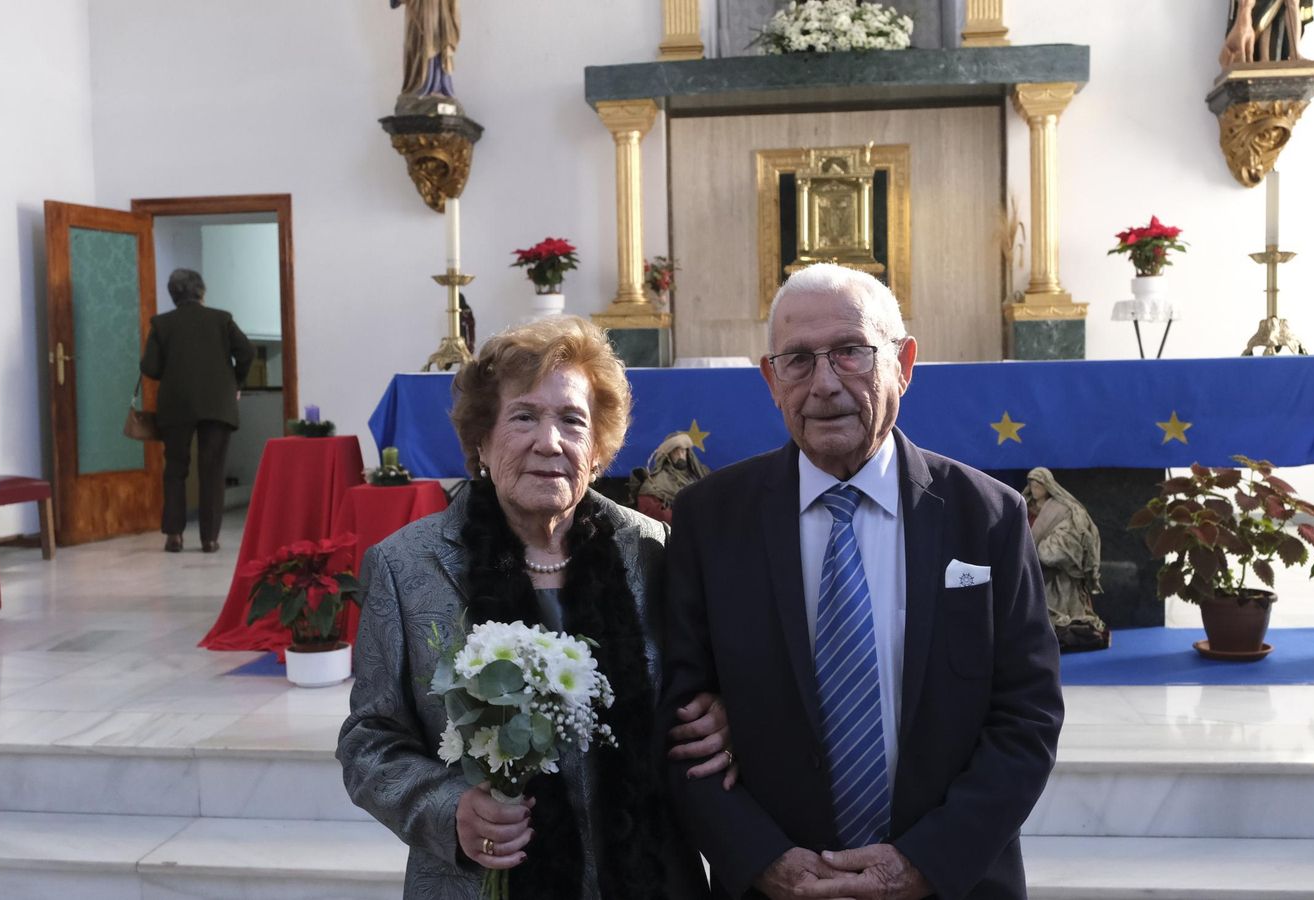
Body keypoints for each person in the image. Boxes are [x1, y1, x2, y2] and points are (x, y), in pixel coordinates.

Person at [659, 263, 1064, 900]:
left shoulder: (987, 516)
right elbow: (680, 723)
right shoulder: (711, 520)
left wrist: (926, 862)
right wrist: (764, 859)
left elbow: (1028, 715)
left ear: (903, 363)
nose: (823, 384)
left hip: (952, 883)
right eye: (797, 359)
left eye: (850, 352)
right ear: (771, 379)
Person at [338, 316, 725, 900]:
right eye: (524, 417)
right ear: (482, 442)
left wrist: (721, 714)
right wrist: (450, 810)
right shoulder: (406, 567)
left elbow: (709, 684)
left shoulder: (653, 552)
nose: (550, 441)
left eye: (573, 421)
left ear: (597, 451)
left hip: (653, 877)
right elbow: (370, 739)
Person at [139, 268, 253, 554]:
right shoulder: (221, 319)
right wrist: (235, 381)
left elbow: (150, 368)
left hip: (176, 405)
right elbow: (247, 351)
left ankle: (174, 535)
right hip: (218, 404)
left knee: (175, 468)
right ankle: (209, 538)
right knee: (212, 471)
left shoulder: (162, 324)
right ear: (201, 292)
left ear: (172, 295)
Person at [1024, 467, 1109, 653]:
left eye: (1038, 485)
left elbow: (1068, 540)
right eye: (1031, 485)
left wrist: (1046, 548)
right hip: (1032, 572)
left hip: (1059, 574)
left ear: (1047, 486)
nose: (1034, 489)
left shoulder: (1062, 510)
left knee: (1061, 612)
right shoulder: (1025, 508)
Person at [627, 431, 710, 523]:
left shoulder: (700, 476)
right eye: (675, 452)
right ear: (668, 456)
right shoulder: (656, 482)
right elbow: (649, 507)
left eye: (683, 451)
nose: (680, 455)